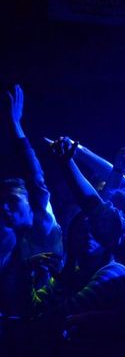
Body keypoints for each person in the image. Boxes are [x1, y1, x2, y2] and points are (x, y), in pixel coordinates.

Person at [0, 85, 63, 316]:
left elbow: (36, 180)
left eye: (13, 200)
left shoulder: (42, 228)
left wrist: (16, 126)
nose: (5, 207)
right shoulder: (9, 241)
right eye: (2, 202)